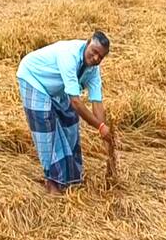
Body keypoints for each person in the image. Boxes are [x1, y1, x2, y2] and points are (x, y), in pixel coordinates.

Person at [16, 31, 112, 194]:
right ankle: (52, 181)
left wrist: (102, 127)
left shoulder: (93, 70)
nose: (96, 58)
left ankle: (70, 176)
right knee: (46, 128)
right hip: (34, 79)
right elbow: (75, 101)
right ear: (87, 43)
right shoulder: (69, 56)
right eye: (94, 52)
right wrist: (100, 127)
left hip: (56, 89)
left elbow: (97, 102)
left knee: (70, 122)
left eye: (100, 57)